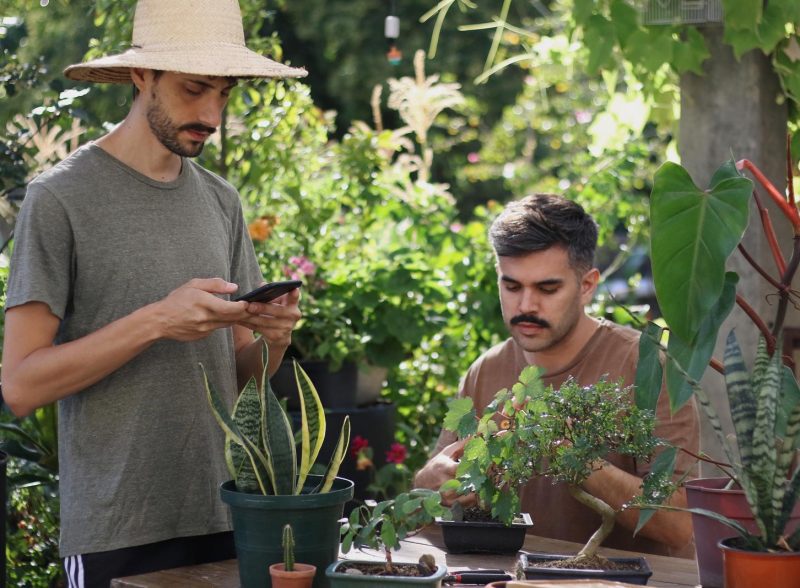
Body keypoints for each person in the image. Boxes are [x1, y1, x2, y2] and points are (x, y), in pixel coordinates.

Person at [1, 1, 307, 585]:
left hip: (225, 514)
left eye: (224, 93)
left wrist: (274, 339)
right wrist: (157, 322)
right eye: (195, 89)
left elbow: (244, 377)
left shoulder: (222, 202)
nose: (212, 114)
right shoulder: (61, 198)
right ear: (142, 76)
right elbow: (19, 385)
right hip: (116, 529)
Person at [414, 193, 700, 558]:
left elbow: (678, 525)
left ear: (587, 286)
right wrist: (428, 483)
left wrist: (572, 456)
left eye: (547, 289)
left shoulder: (646, 368)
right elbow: (428, 502)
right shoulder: (486, 370)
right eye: (512, 286)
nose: (526, 305)